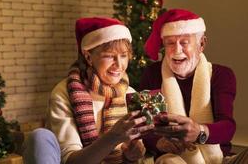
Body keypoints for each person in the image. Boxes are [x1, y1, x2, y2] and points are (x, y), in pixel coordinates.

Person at [23, 17, 154, 164]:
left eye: (123, 56)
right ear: (88, 57)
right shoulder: (65, 93)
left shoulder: (131, 94)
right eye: (109, 56)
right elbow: (70, 161)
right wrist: (113, 137)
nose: (119, 64)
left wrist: (131, 155)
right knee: (39, 137)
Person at [139, 8, 248, 164]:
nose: (177, 50)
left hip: (220, 159)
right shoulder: (152, 74)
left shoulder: (221, 74)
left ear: (201, 44)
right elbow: (145, 127)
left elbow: (227, 127)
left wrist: (200, 132)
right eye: (170, 43)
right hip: (173, 157)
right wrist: (158, 142)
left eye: (184, 42)